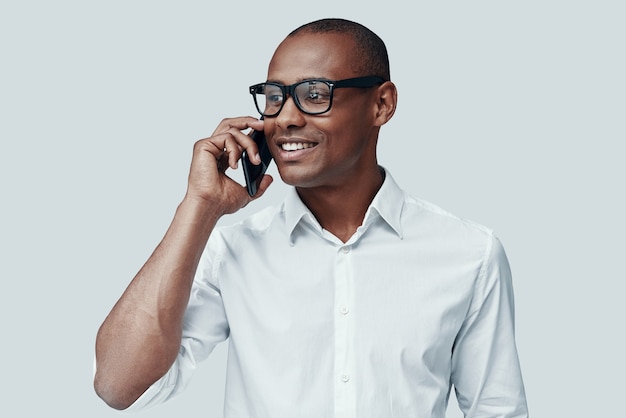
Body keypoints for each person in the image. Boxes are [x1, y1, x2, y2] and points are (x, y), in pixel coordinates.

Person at [94, 18, 528, 418]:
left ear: (382, 104)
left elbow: (498, 410)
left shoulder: (469, 255)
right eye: (274, 97)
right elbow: (118, 384)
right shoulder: (232, 252)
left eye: (315, 95)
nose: (285, 118)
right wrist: (199, 205)